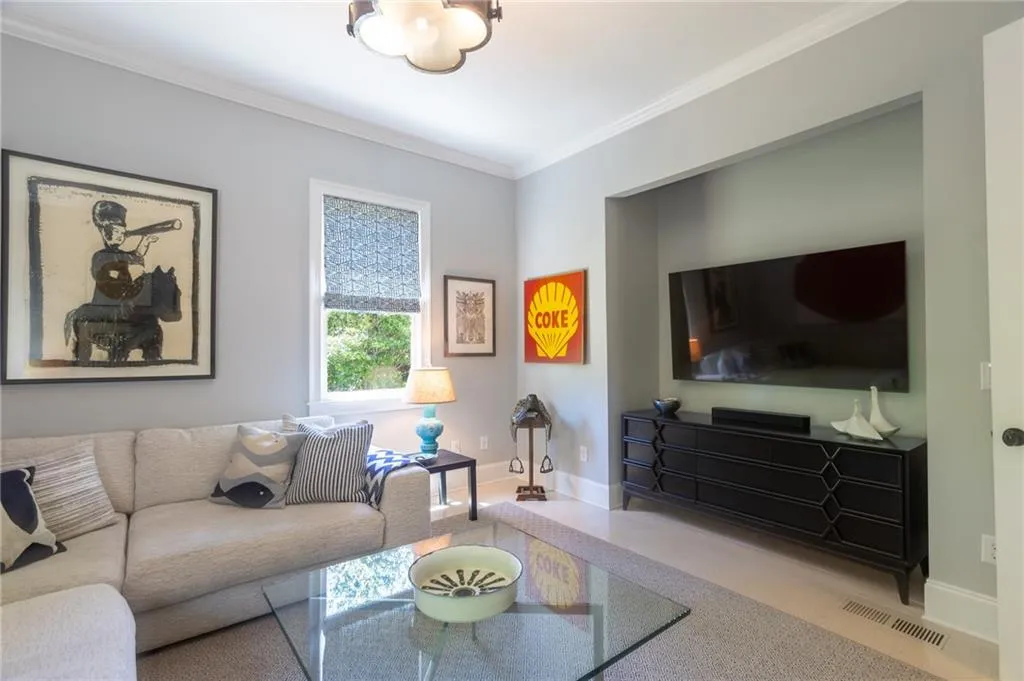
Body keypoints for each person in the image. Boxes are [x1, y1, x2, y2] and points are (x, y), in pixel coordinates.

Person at [90, 200, 160, 306]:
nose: (120, 236)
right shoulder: (100, 256)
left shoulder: (121, 255)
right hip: (105, 302)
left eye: (123, 233)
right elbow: (104, 273)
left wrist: (145, 241)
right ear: (104, 232)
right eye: (116, 231)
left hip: (122, 300)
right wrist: (128, 267)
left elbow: (136, 256)